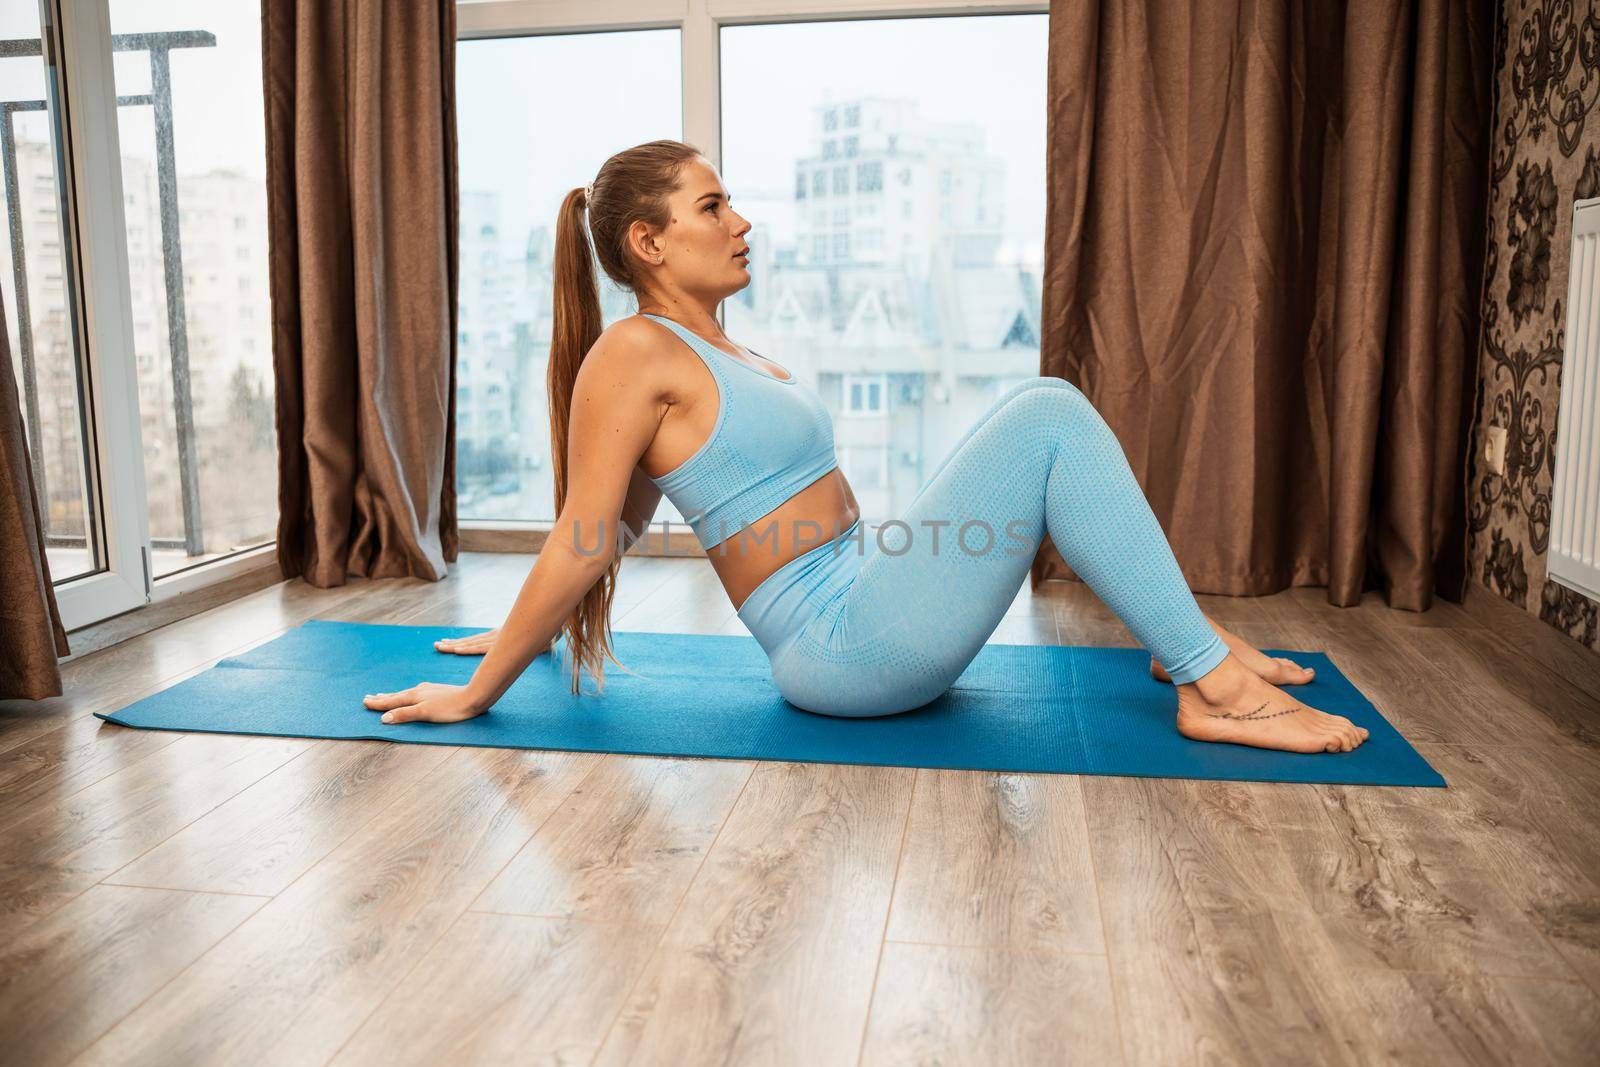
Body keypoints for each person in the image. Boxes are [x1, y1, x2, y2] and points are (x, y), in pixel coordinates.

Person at [363, 139, 1368, 755]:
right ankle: (1211, 684)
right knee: (1049, 412)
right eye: (713, 205)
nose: (742, 220)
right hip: (841, 648)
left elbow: (622, 525)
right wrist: (483, 683)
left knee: (1034, 405)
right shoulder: (632, 350)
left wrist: (512, 634)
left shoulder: (716, 346)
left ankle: (1186, 638)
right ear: (647, 242)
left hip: (866, 590)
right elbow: (587, 533)